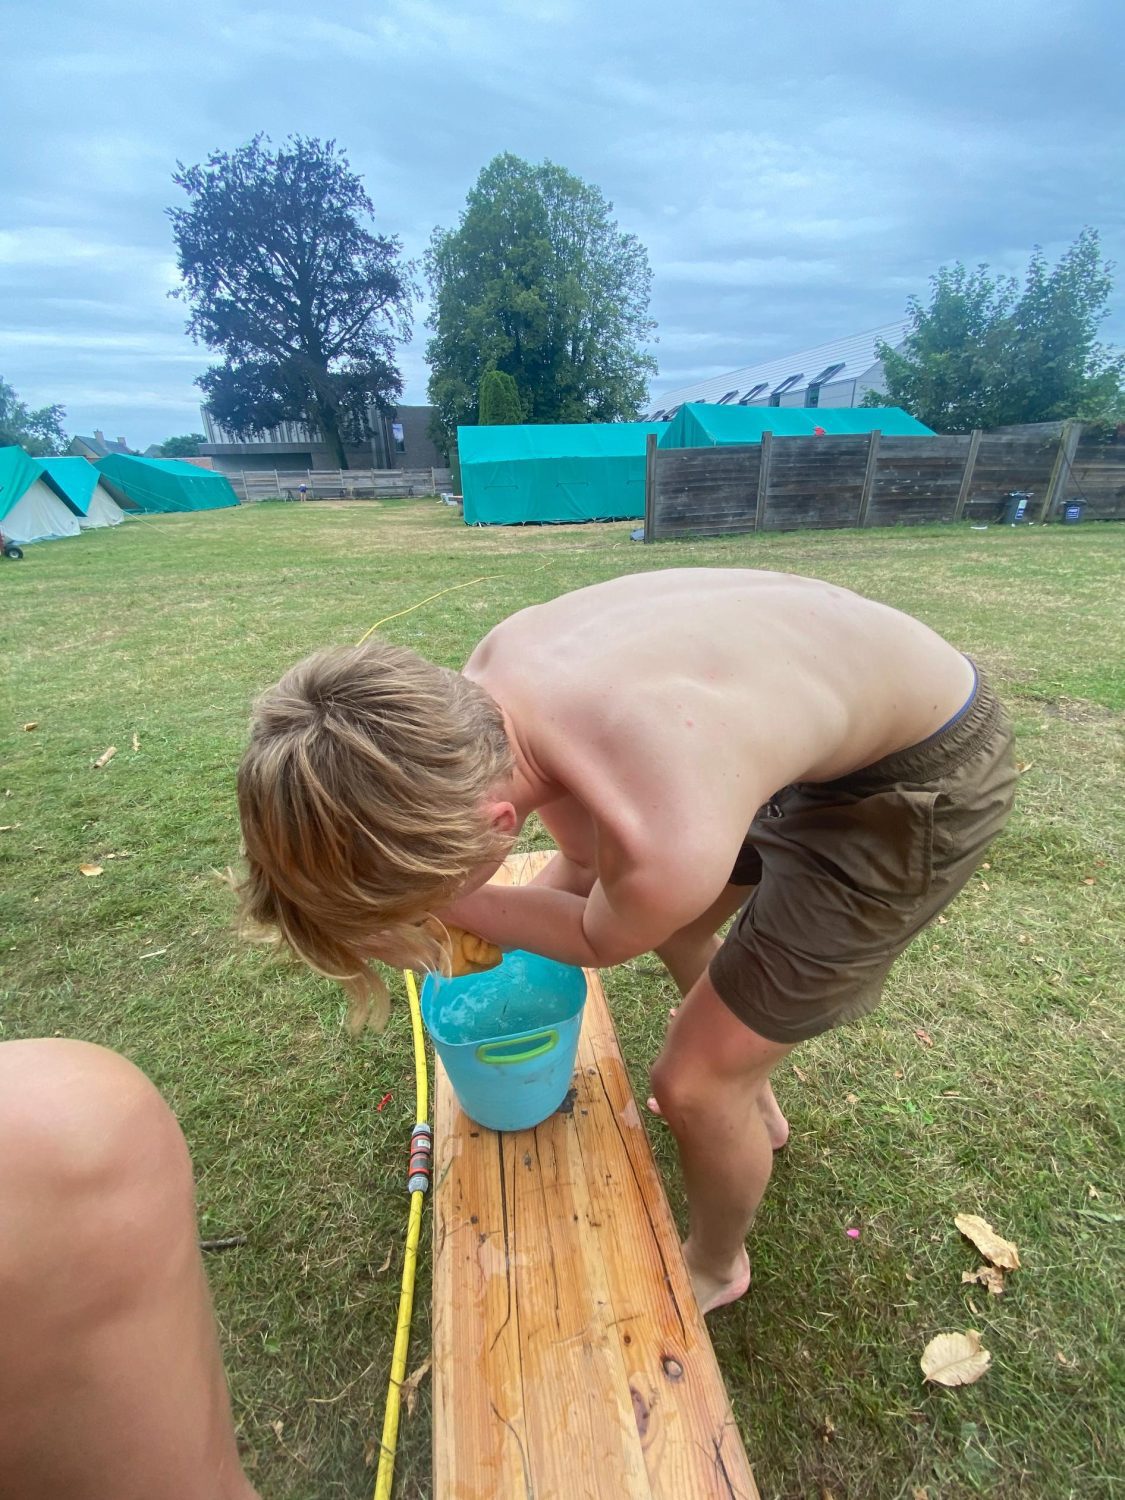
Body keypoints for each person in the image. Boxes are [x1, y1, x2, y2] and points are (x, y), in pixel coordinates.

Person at [237, 567, 1016, 1312]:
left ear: (496, 827)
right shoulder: (487, 702)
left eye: (428, 904)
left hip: (915, 777)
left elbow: (596, 932)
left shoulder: (658, 831)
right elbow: (581, 865)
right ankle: (752, 1094)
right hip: (782, 722)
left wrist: (460, 909)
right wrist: (451, 908)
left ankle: (716, 1265)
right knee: (678, 932)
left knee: (693, 1086)